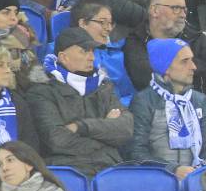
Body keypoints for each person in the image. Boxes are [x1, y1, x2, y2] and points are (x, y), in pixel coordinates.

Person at [30, 26, 132, 176]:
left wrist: (81, 127)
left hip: (109, 169)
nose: (91, 57)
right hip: (67, 171)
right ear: (63, 57)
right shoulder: (42, 91)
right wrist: (105, 135)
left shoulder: (104, 86)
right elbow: (57, 140)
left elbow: (125, 129)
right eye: (84, 51)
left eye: (92, 51)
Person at [128, 38, 206, 176]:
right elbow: (136, 151)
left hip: (197, 178)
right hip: (158, 180)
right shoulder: (144, 101)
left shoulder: (199, 100)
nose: (193, 66)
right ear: (165, 67)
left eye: (192, 60)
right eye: (185, 61)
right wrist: (172, 169)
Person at [125, 0, 206, 96]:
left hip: (199, 107)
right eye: (176, 8)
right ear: (155, 10)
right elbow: (144, 79)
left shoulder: (195, 37)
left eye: (184, 10)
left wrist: (177, 65)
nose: (183, 15)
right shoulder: (136, 39)